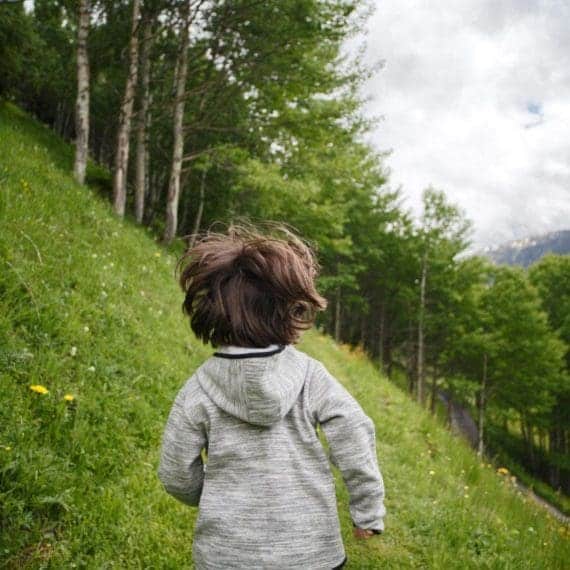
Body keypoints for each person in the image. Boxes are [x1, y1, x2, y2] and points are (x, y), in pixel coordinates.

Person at [157, 223, 386, 569]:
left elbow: (175, 472)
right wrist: (367, 509)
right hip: (311, 555)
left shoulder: (198, 389)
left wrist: (214, 496)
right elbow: (353, 430)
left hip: (226, 557)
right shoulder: (310, 376)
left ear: (212, 309)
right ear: (289, 309)